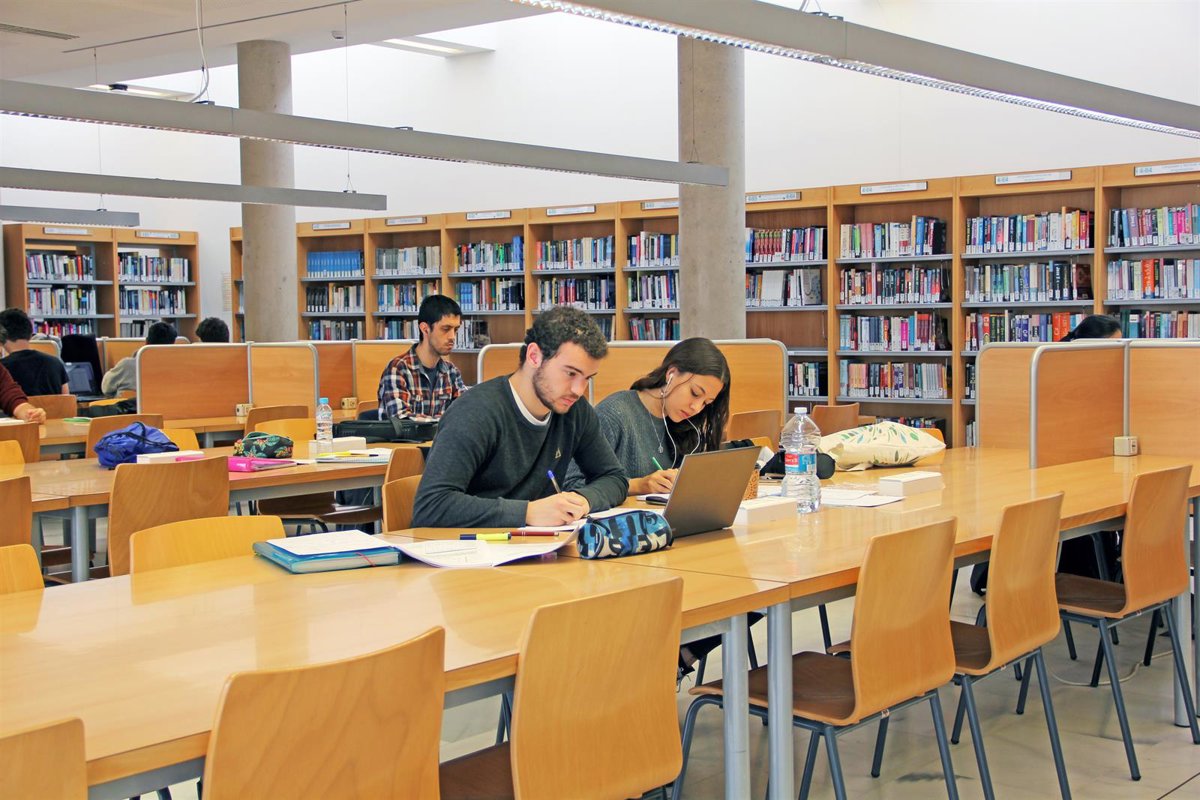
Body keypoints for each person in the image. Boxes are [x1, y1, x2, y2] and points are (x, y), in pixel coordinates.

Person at [412, 306, 627, 528]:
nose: (578, 390)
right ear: (534, 356)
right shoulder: (475, 412)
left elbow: (614, 477)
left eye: (587, 378)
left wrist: (583, 501)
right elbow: (431, 506)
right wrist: (527, 512)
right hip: (471, 545)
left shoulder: (575, 411)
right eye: (570, 373)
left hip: (538, 544)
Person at [566, 337, 731, 495]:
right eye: (695, 393)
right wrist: (637, 486)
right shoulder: (614, 414)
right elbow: (571, 484)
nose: (696, 408)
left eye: (706, 403)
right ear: (671, 374)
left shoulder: (686, 426)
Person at [377, 295, 466, 419]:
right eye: (446, 329)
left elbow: (466, 414)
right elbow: (402, 421)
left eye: (455, 330)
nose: (452, 337)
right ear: (425, 329)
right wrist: (445, 422)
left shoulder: (452, 372)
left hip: (442, 433)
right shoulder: (398, 369)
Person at [0, 308, 69, 396]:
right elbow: (67, 400)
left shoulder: (2, 369)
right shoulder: (55, 364)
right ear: (30, 333)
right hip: (51, 406)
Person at [102, 321, 177, 396]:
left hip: (129, 403)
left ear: (146, 341)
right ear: (172, 346)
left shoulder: (127, 365)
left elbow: (106, 388)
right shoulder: (176, 368)